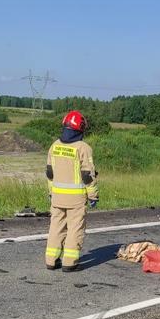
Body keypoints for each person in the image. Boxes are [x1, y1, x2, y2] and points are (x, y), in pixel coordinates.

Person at [45, 110, 99, 272]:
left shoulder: (54, 145)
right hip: (76, 199)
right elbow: (87, 175)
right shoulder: (83, 148)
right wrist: (93, 196)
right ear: (81, 128)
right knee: (75, 229)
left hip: (57, 196)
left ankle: (51, 260)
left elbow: (49, 173)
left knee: (56, 227)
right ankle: (69, 262)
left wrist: (51, 192)